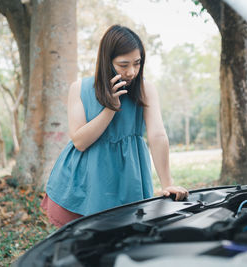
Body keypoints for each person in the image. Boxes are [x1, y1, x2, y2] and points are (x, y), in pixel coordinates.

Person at [41, 25, 189, 228]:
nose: (131, 72)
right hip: (84, 180)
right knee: (83, 247)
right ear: (107, 61)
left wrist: (167, 183)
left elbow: (157, 135)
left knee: (125, 240)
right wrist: (110, 108)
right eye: (123, 65)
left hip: (127, 179)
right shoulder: (79, 89)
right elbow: (80, 142)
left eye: (137, 64)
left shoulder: (145, 88)